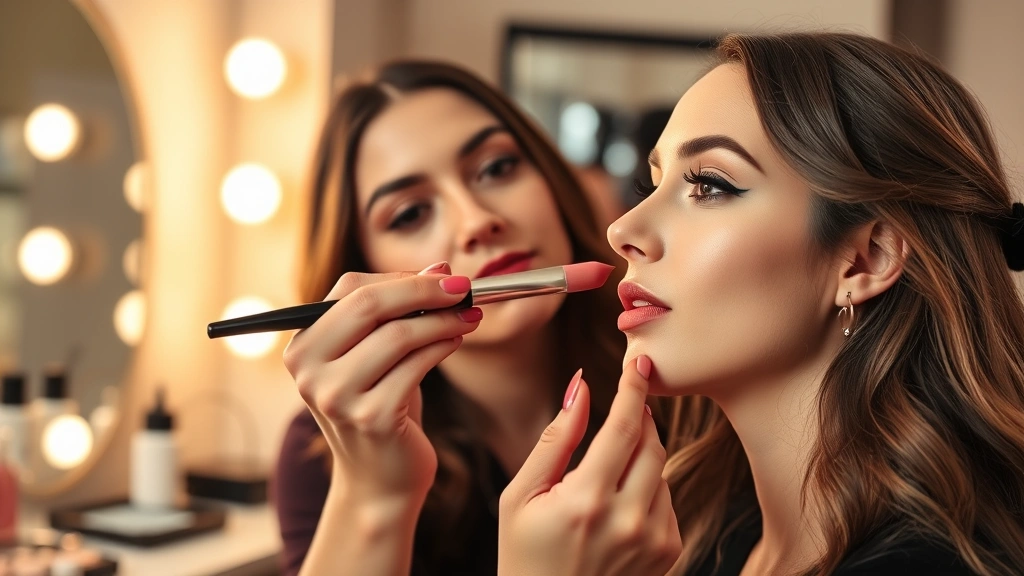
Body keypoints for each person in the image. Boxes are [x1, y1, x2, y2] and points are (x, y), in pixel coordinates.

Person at [498, 32, 1024, 575]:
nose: (622, 230)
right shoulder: (700, 538)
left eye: (708, 185)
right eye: (650, 185)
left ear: (865, 260)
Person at [273, 60, 644, 576]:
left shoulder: (677, 375)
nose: (477, 221)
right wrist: (374, 498)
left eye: (497, 168)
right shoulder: (323, 455)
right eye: (410, 213)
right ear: (362, 271)